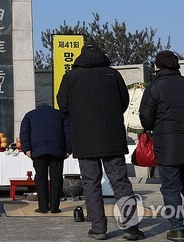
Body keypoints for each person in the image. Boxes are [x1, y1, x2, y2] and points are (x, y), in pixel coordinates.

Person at [57, 43, 145, 241]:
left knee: (91, 183)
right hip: (112, 137)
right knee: (120, 181)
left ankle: (98, 228)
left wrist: (79, 117)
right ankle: (131, 227)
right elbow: (124, 102)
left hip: (84, 138)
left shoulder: (71, 77)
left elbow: (63, 105)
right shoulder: (113, 75)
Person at [138, 50, 184, 241]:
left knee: (170, 188)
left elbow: (146, 118)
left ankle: (177, 229)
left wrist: (156, 127)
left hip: (167, 146)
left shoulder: (154, 87)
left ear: (157, 67)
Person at [19, 103, 71, 214]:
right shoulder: (60, 115)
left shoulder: (30, 115)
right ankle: (54, 208)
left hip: (38, 151)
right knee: (56, 178)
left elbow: (24, 133)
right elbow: (68, 133)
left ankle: (42, 207)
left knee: (40, 177)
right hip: (57, 150)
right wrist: (68, 150)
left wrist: (27, 149)